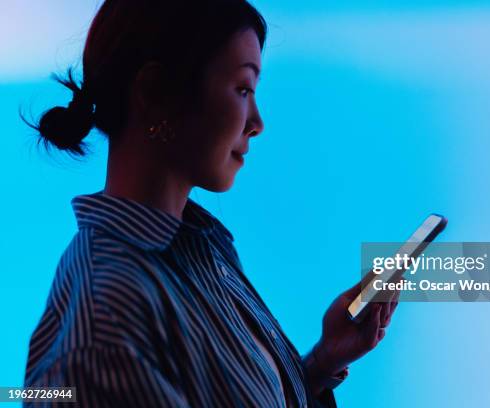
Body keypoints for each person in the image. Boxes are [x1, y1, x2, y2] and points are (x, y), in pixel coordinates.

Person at [22, 1, 398, 406]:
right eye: (242, 89)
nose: (257, 122)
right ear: (154, 93)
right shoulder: (109, 323)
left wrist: (324, 360)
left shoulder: (198, 248)